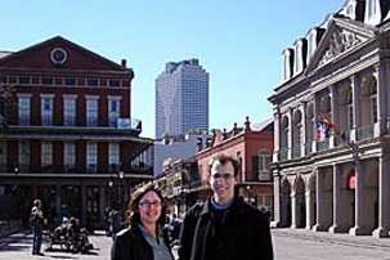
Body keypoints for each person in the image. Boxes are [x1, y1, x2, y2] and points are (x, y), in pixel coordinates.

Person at [178, 154, 273, 260]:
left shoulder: (256, 220)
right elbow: (183, 256)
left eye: (227, 176)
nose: (221, 181)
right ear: (209, 179)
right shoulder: (192, 218)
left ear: (236, 179)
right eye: (216, 176)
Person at [111, 186, 174, 260]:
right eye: (146, 203)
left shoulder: (164, 236)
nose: (151, 207)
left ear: (161, 206)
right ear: (137, 207)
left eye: (156, 202)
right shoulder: (124, 240)